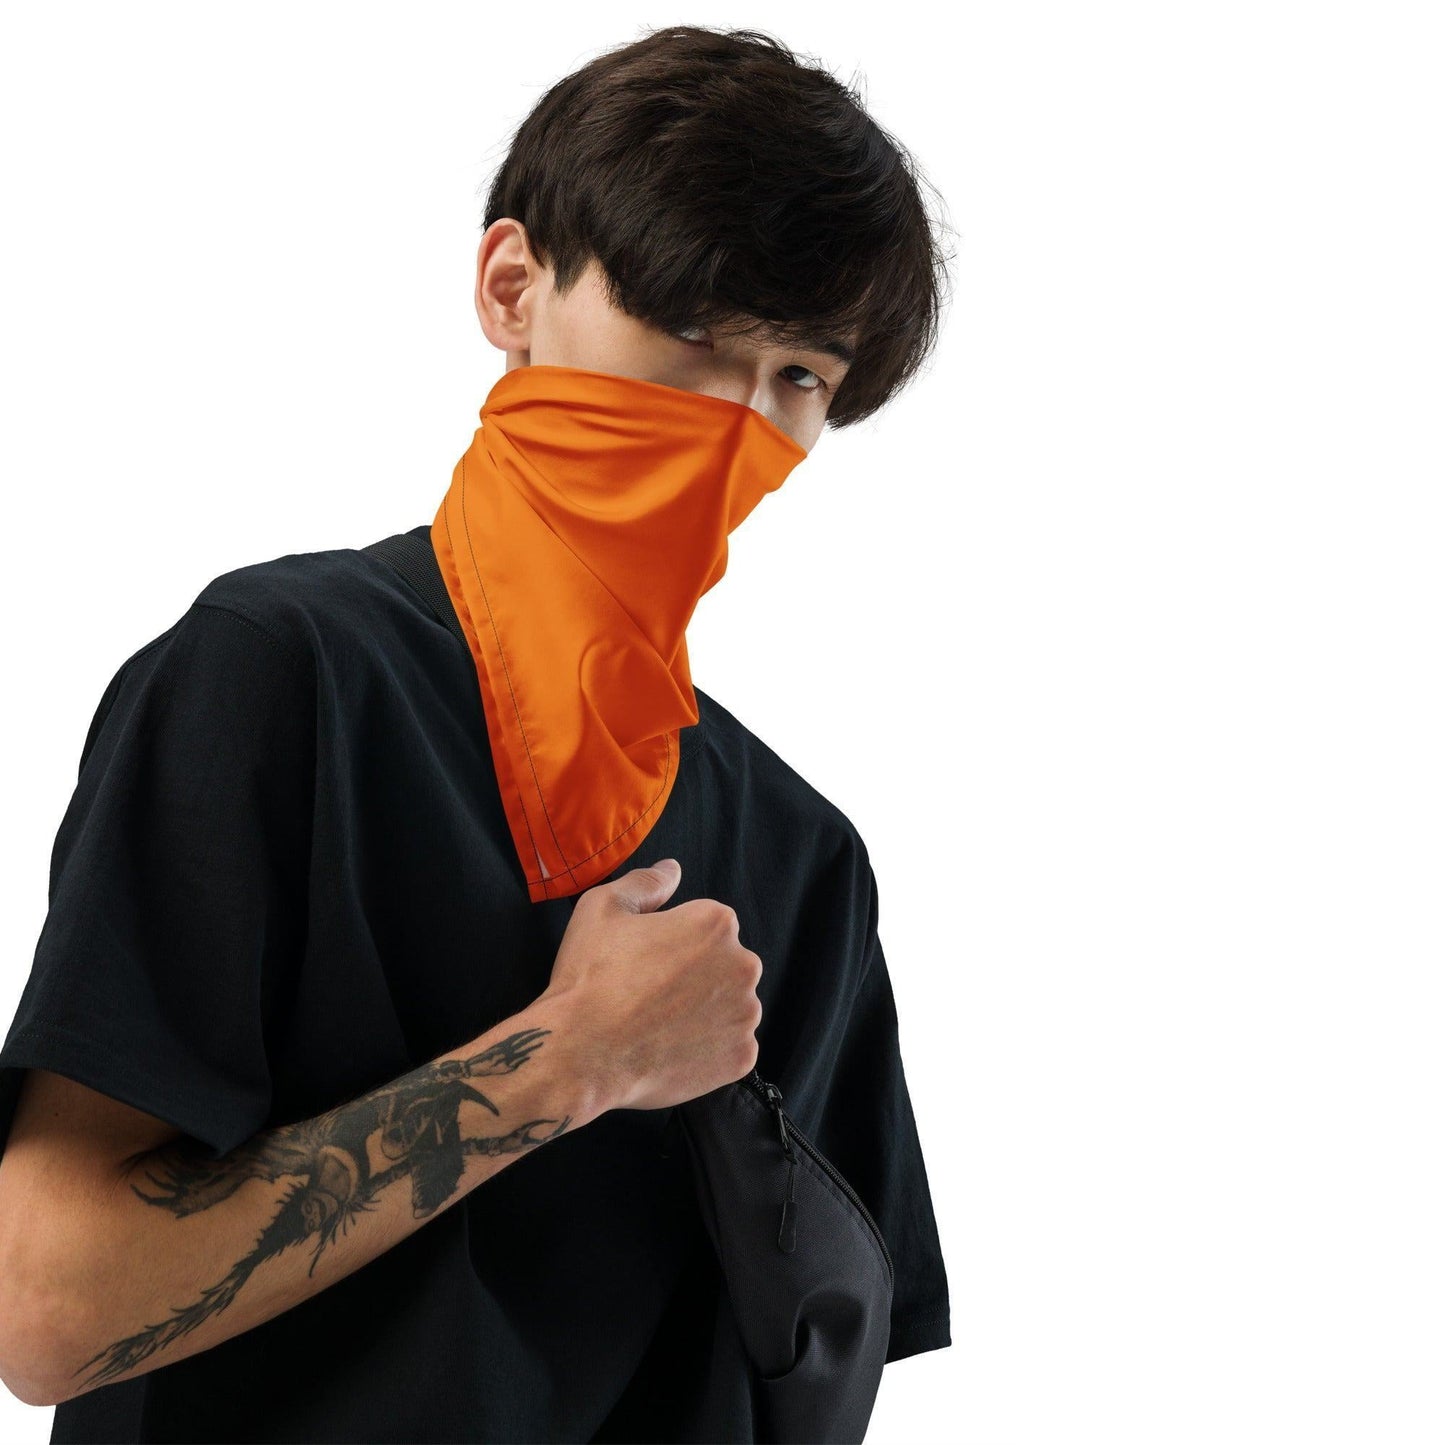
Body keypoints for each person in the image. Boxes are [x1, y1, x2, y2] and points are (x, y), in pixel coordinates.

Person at [0, 23, 953, 1443]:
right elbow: (47, 1307)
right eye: (694, 332)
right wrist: (566, 1061)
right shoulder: (282, 680)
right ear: (513, 286)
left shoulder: (805, 858)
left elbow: (806, 1380)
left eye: (801, 377)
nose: (736, 420)